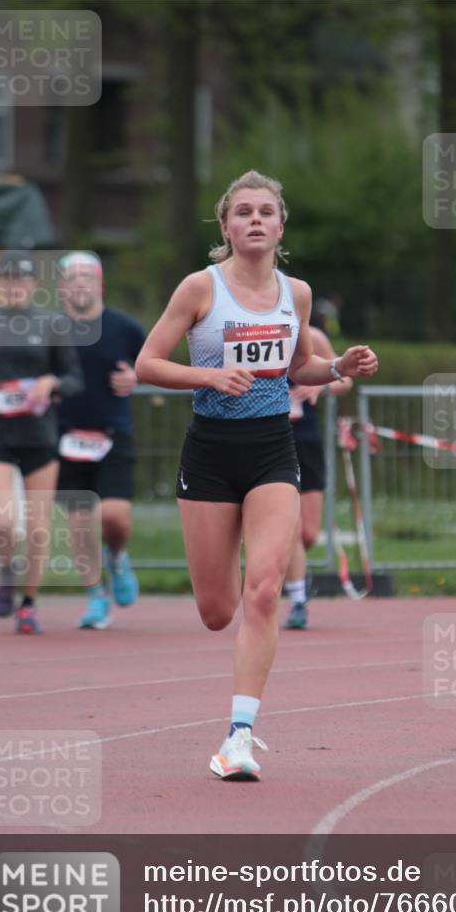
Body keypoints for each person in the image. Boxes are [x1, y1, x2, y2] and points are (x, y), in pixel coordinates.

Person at [135, 170, 378, 781]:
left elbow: (302, 369)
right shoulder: (200, 288)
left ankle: (239, 735)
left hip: (274, 448)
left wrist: (339, 366)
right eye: (242, 212)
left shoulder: (295, 293)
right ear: (225, 226)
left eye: (265, 212)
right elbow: (147, 363)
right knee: (218, 611)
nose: (254, 221)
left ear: (280, 225)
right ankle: (234, 607)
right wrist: (208, 376)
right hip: (211, 454)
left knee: (264, 590)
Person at [0, 249, 84, 634]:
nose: (14, 286)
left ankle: (28, 603)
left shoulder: (52, 325)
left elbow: (73, 379)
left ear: (32, 284)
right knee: (2, 519)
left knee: (37, 527)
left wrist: (51, 383)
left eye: (21, 279)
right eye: (7, 279)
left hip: (39, 436)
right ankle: (5, 568)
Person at [55, 251, 145, 630]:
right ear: (61, 288)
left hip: (112, 435)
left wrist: (137, 378)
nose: (79, 283)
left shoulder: (126, 328)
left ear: (100, 283)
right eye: (72, 277)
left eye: (86, 276)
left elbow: (153, 365)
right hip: (65, 438)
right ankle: (95, 597)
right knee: (78, 524)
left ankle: (118, 558)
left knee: (114, 517)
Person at [283, 323, 352, 630]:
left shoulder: (314, 336)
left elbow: (344, 379)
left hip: (306, 438)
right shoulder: (253, 330)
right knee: (291, 529)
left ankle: (296, 574)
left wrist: (319, 385)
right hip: (271, 438)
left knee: (308, 533)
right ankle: (298, 600)